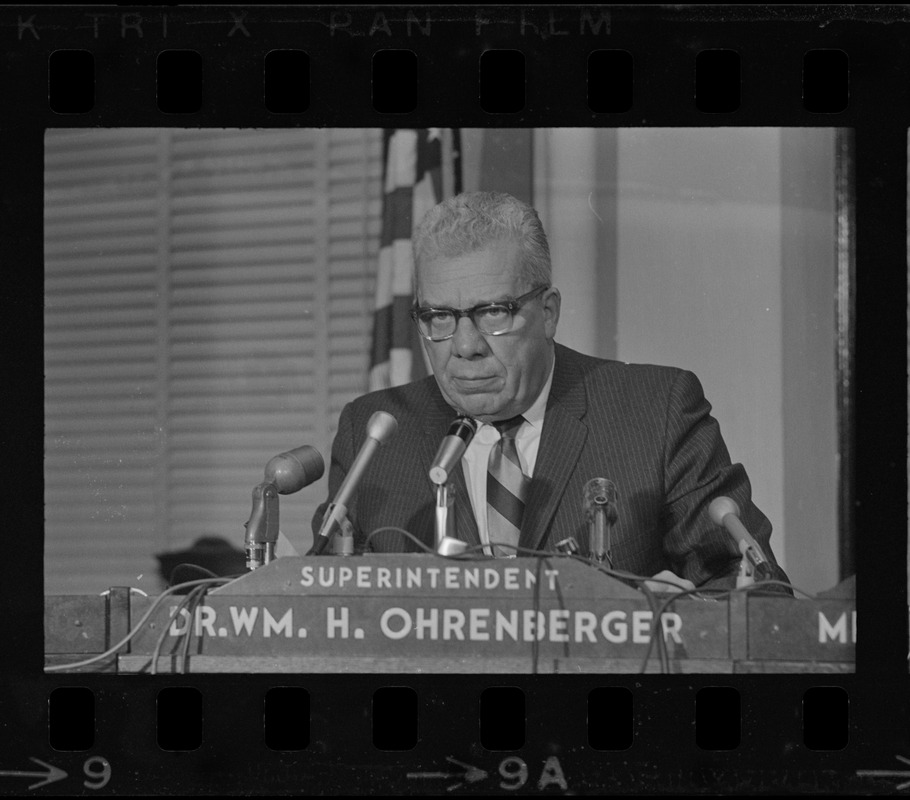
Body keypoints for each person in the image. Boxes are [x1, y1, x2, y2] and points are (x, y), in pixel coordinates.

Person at [311, 191, 787, 591]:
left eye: (493, 312)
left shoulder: (656, 411)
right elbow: (325, 607)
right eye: (439, 317)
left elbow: (752, 587)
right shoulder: (374, 434)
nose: (465, 346)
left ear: (549, 313)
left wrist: (663, 620)